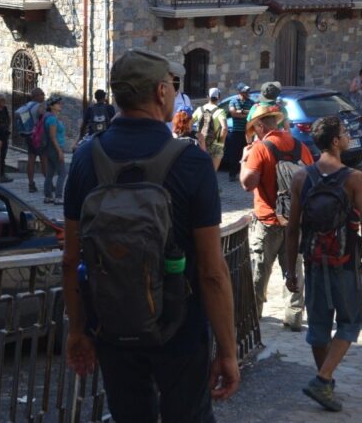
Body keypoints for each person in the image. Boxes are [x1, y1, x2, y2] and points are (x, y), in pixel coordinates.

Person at [62, 49, 239, 421]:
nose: (174, 93)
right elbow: (211, 271)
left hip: (111, 328)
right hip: (179, 330)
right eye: (172, 86)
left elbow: (71, 259)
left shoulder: (85, 158)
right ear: (161, 93)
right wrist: (227, 350)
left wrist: (78, 329)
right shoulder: (191, 162)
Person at [285, 116, 362, 412]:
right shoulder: (354, 178)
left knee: (318, 327)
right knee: (349, 323)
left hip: (313, 261)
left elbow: (293, 228)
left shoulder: (302, 177)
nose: (348, 137)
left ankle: (324, 384)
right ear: (336, 141)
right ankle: (323, 378)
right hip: (345, 260)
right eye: (345, 133)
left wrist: (289, 268)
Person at [241, 103, 313, 330]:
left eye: (254, 129)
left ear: (260, 125)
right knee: (294, 268)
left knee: (260, 269)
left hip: (268, 221)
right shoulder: (300, 146)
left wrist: (245, 159)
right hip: (294, 220)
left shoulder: (259, 149)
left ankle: (254, 313)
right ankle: (294, 317)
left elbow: (247, 183)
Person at [224, 83, 255, 181]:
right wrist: (246, 113)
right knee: (235, 154)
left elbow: (253, 113)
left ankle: (246, 174)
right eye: (246, 91)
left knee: (248, 154)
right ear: (240, 92)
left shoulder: (251, 102)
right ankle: (232, 174)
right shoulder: (233, 101)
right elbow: (233, 113)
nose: (248, 93)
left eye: (248, 91)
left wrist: (240, 111)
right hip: (236, 131)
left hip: (248, 132)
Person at [192, 88, 228, 171]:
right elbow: (225, 128)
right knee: (212, 172)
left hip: (201, 144)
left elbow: (189, 124)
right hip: (215, 145)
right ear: (219, 98)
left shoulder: (199, 109)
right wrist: (220, 142)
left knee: (200, 171)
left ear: (208, 97)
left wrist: (196, 136)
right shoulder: (220, 111)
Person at [20, 88, 46, 193]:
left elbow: (24, 121)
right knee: (44, 159)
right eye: (42, 94)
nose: (44, 95)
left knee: (31, 159)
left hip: (29, 136)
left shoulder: (26, 106)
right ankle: (48, 183)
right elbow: (43, 120)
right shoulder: (39, 107)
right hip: (39, 137)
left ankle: (31, 183)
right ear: (36, 96)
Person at [42, 97, 67, 204]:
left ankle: (48, 196)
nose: (60, 105)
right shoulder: (52, 119)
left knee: (50, 173)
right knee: (63, 173)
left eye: (60, 103)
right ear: (51, 106)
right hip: (55, 148)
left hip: (50, 148)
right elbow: (52, 137)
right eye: (57, 104)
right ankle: (58, 197)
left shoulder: (50, 118)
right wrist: (59, 151)